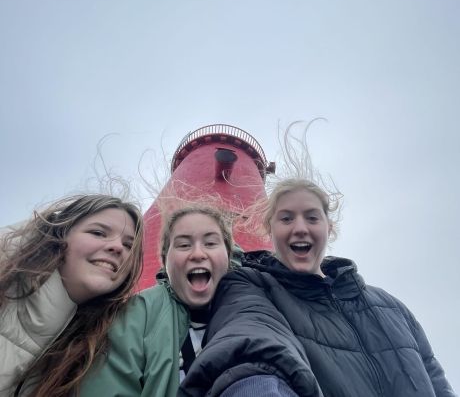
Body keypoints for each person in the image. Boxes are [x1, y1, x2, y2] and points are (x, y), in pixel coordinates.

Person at [179, 124, 456, 397]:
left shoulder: (392, 307)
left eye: (312, 217)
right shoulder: (252, 288)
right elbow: (249, 341)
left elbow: (435, 379)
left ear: (329, 227)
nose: (300, 227)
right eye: (286, 218)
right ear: (269, 228)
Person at [79, 205, 234, 397]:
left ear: (229, 254)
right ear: (164, 261)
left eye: (210, 243)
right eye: (183, 245)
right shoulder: (136, 314)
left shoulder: (257, 303)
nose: (198, 254)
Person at [0, 194, 144, 397]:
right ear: (61, 233)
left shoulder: (95, 347)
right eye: (98, 232)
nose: (118, 247)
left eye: (129, 245)